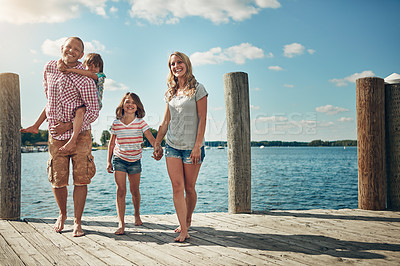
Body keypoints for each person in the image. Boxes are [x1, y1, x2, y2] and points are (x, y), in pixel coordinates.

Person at [21, 37, 100, 237]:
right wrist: (42, 124)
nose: (71, 51)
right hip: (55, 135)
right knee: (58, 179)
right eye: (69, 47)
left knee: (81, 179)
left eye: (77, 49)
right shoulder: (49, 67)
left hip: (80, 135)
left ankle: (78, 221)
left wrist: (69, 123)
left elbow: (93, 111)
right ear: (62, 48)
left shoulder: (87, 78)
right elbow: (49, 99)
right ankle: (62, 214)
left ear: (81, 55)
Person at [153, 51, 208, 242]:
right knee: (177, 187)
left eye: (179, 62)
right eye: (172, 64)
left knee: (190, 188)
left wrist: (197, 145)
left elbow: (202, 119)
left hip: (192, 147)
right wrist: (157, 143)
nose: (176, 66)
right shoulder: (170, 92)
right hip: (172, 146)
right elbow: (165, 121)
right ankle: (184, 228)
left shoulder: (198, 89)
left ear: (186, 64)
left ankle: (188, 219)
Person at [22, 53, 105, 153]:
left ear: (100, 68)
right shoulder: (81, 75)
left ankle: (73, 140)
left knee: (79, 111)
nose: (92, 68)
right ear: (84, 65)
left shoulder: (100, 76)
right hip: (82, 101)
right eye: (89, 65)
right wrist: (61, 63)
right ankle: (36, 126)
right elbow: (63, 61)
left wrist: (70, 70)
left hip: (94, 104)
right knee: (50, 104)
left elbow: (91, 74)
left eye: (96, 66)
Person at [107, 92, 158, 235]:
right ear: (123, 105)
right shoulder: (116, 123)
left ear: (138, 107)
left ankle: (136, 214)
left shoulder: (140, 122)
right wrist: (108, 161)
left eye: (134, 103)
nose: (130, 105)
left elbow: (151, 139)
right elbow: (111, 144)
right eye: (127, 102)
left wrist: (157, 148)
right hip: (119, 159)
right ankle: (121, 223)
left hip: (135, 160)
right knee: (121, 190)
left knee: (134, 191)